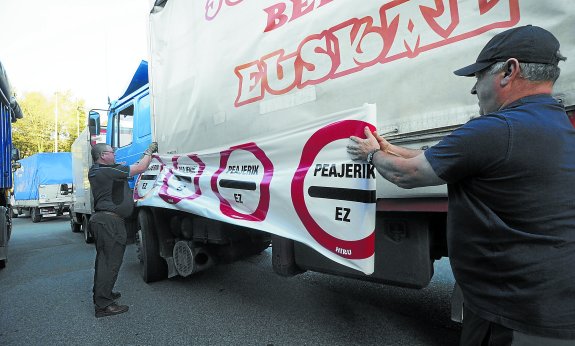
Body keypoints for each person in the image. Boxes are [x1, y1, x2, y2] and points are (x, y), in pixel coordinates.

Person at [347, 25, 575, 344]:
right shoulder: (550, 122)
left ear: (510, 71)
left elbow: (406, 174)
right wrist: (389, 149)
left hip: (511, 315)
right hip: (545, 305)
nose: (473, 90)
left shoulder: (498, 129)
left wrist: (371, 156)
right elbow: (441, 157)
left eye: (478, 77)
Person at [89, 141, 158, 318]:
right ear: (103, 156)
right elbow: (141, 167)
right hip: (109, 222)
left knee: (105, 262)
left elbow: (128, 168)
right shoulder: (106, 171)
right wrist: (149, 151)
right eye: (112, 152)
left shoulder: (100, 171)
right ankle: (103, 305)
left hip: (107, 221)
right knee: (109, 263)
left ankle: (104, 295)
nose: (115, 155)